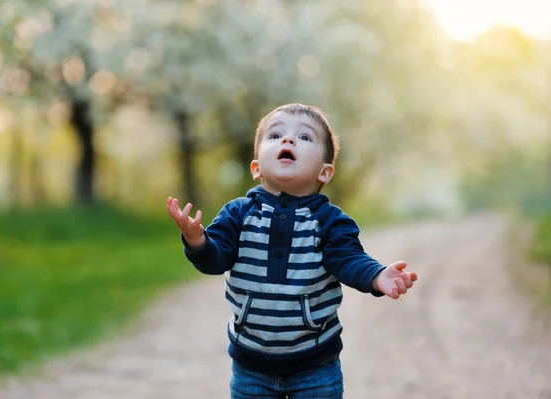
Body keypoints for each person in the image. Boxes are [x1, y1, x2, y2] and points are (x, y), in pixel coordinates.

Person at [167, 103, 418, 399]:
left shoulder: (329, 221)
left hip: (315, 364)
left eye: (305, 137)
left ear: (325, 172)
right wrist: (197, 239)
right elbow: (215, 259)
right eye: (275, 135)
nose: (288, 140)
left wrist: (377, 276)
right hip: (251, 365)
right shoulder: (237, 213)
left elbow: (348, 258)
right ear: (256, 167)